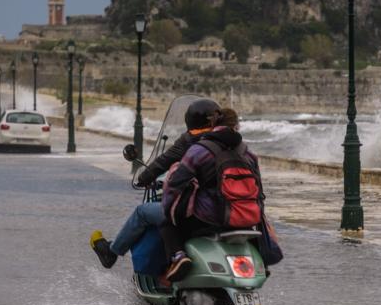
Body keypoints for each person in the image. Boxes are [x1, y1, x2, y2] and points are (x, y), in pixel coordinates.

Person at [89, 99, 221, 269]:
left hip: (199, 212)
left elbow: (162, 162)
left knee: (143, 212)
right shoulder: (232, 142)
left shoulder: (191, 141)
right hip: (231, 212)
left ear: (190, 120)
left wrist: (144, 178)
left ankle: (111, 252)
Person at [159, 107, 261, 281]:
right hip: (246, 218)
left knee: (167, 223)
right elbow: (259, 192)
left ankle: (178, 258)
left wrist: (169, 209)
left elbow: (176, 183)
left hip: (211, 219)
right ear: (237, 126)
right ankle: (261, 264)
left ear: (213, 124)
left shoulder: (201, 150)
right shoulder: (248, 154)